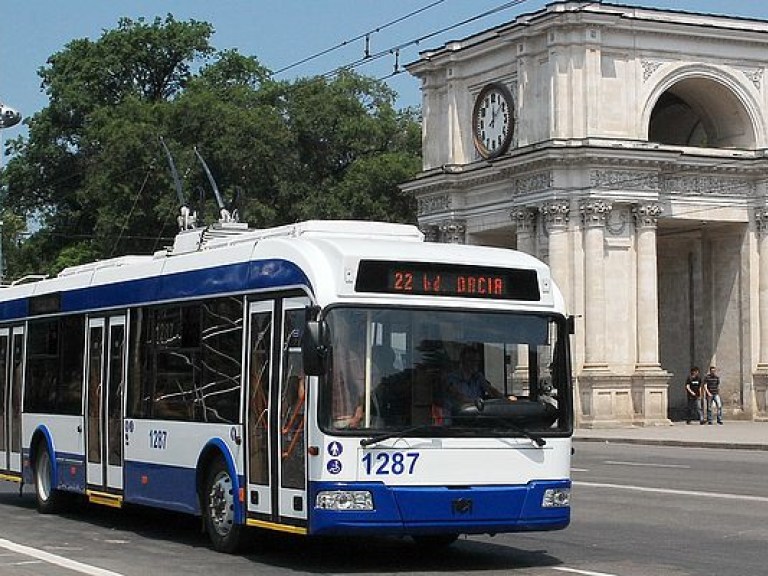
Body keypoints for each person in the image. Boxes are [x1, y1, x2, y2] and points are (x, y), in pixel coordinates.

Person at [445, 345, 514, 414]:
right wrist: (476, 402)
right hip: (456, 416)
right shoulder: (451, 378)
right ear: (462, 361)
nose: (475, 364)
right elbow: (458, 395)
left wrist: (506, 401)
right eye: (471, 361)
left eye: (477, 361)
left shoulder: (478, 377)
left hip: (476, 414)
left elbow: (491, 391)